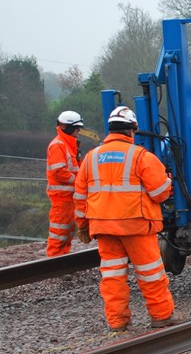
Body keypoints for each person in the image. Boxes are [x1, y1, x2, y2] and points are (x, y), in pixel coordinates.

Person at [74, 106, 183, 332]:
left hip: (103, 227)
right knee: (151, 273)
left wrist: (83, 226)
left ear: (110, 129)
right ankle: (161, 316)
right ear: (132, 130)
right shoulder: (141, 156)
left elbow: (80, 196)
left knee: (112, 277)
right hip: (136, 225)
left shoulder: (91, 158)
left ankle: (118, 322)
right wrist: (168, 180)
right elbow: (160, 192)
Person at [45, 110, 84, 256]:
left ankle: (61, 263)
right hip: (62, 198)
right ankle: (54, 264)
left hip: (69, 197)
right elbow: (59, 172)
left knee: (66, 233)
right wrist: (79, 182)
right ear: (67, 127)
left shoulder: (68, 145)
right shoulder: (58, 145)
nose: (79, 131)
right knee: (59, 234)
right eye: (77, 128)